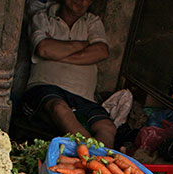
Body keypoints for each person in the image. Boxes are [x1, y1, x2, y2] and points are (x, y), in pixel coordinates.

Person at [24, 0, 116, 148]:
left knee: (107, 127)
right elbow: (44, 49)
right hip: (45, 88)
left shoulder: (92, 21)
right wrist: (84, 44)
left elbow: (101, 51)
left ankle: (100, 162)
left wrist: (59, 53)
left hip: (84, 98)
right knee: (59, 108)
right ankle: (90, 157)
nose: (81, 1)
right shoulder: (43, 17)